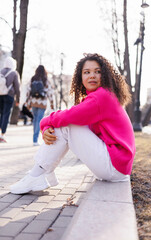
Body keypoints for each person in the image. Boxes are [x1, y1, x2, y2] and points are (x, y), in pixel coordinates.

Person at [10, 53, 136, 194]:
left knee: (67, 126)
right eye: (86, 72)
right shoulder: (101, 96)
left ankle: (37, 174)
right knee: (66, 124)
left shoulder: (102, 97)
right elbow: (72, 119)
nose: (92, 76)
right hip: (117, 166)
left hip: (114, 166)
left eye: (98, 71)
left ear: (105, 75)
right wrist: (48, 126)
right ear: (80, 77)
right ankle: (41, 173)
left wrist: (44, 122)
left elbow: (68, 117)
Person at [25, 65, 54, 146]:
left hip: (34, 102)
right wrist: (51, 103)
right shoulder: (45, 80)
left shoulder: (33, 78)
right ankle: (35, 140)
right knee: (39, 120)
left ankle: (34, 139)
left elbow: (28, 90)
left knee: (35, 120)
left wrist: (28, 101)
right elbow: (50, 92)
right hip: (42, 103)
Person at [0, 56, 20, 143]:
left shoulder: (1, 71)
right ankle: (2, 135)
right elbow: (17, 87)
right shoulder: (14, 73)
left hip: (0, 95)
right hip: (9, 96)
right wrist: (18, 99)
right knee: (6, 114)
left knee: (1, 114)